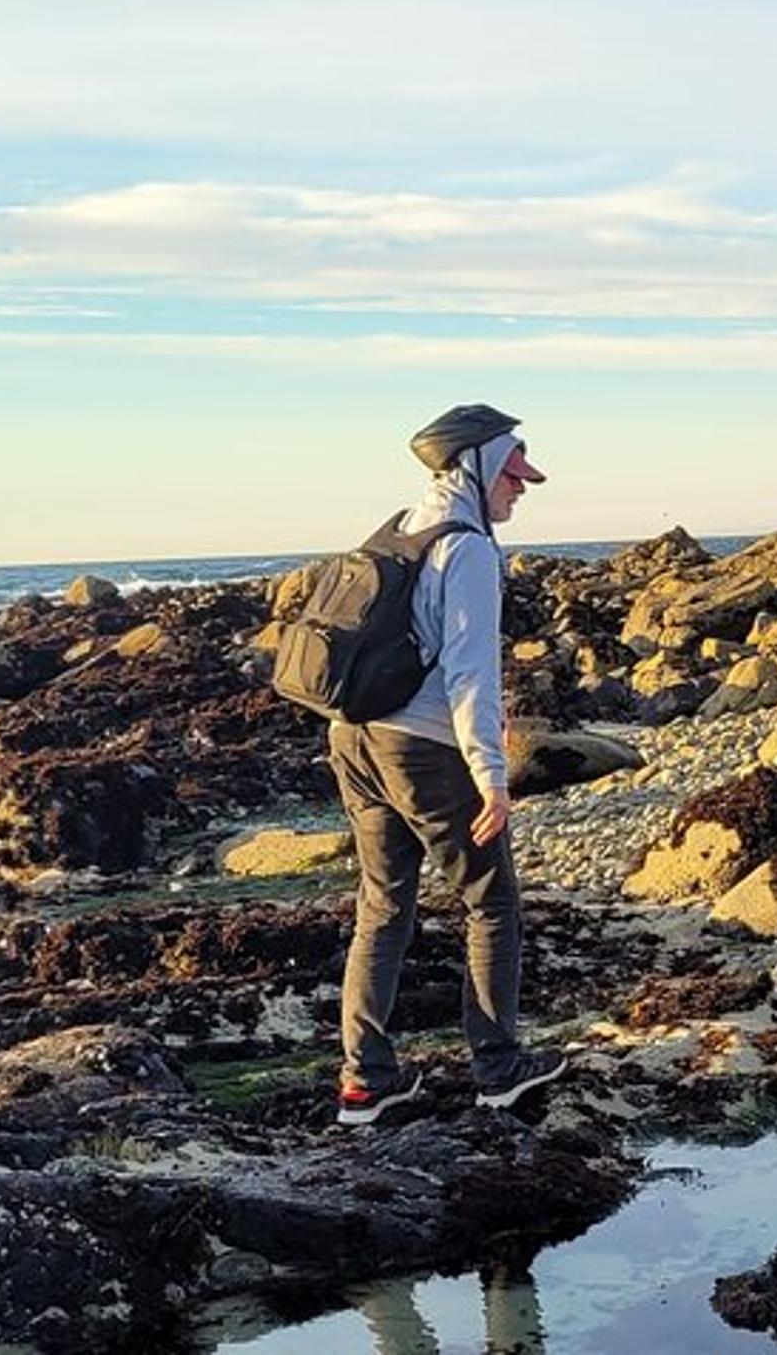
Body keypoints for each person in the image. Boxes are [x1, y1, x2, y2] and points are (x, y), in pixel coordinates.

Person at [330, 403, 567, 1126]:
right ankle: (498, 1067)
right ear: (477, 464)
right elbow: (470, 673)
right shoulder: (466, 548)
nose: (520, 489)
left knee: (382, 905)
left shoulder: (400, 527)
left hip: (352, 738)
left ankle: (366, 1082)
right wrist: (491, 776)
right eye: (513, 474)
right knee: (491, 903)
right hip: (422, 747)